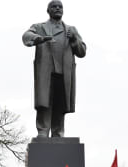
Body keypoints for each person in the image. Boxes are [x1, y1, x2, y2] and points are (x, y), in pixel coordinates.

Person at [22, 0, 86, 137]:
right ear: (48, 10)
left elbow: (82, 52)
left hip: (64, 73)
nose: (57, 8)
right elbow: (26, 36)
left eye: (60, 7)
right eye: (54, 7)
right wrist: (39, 38)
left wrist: (74, 39)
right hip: (46, 72)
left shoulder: (71, 29)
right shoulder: (39, 27)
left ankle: (58, 132)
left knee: (60, 103)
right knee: (44, 103)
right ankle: (43, 131)